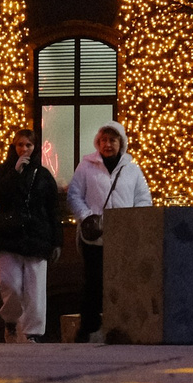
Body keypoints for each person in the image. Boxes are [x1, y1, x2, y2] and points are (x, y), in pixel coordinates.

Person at [66, 120, 149, 342]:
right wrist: (86, 217)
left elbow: (142, 199)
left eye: (112, 140)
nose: (107, 144)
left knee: (123, 283)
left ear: (121, 142)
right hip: (94, 237)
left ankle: (121, 327)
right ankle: (89, 328)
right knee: (93, 282)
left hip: (124, 238)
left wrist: (134, 223)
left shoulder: (132, 170)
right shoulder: (86, 167)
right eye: (103, 140)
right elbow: (74, 195)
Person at [0, 127, 60, 343]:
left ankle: (32, 333)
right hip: (9, 236)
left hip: (37, 236)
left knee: (35, 289)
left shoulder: (44, 175)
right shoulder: (3, 171)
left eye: (28, 145)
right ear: (14, 146)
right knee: (10, 284)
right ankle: (11, 318)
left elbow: (53, 209)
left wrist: (56, 241)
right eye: (20, 145)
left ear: (34, 147)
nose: (24, 149)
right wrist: (14, 173)